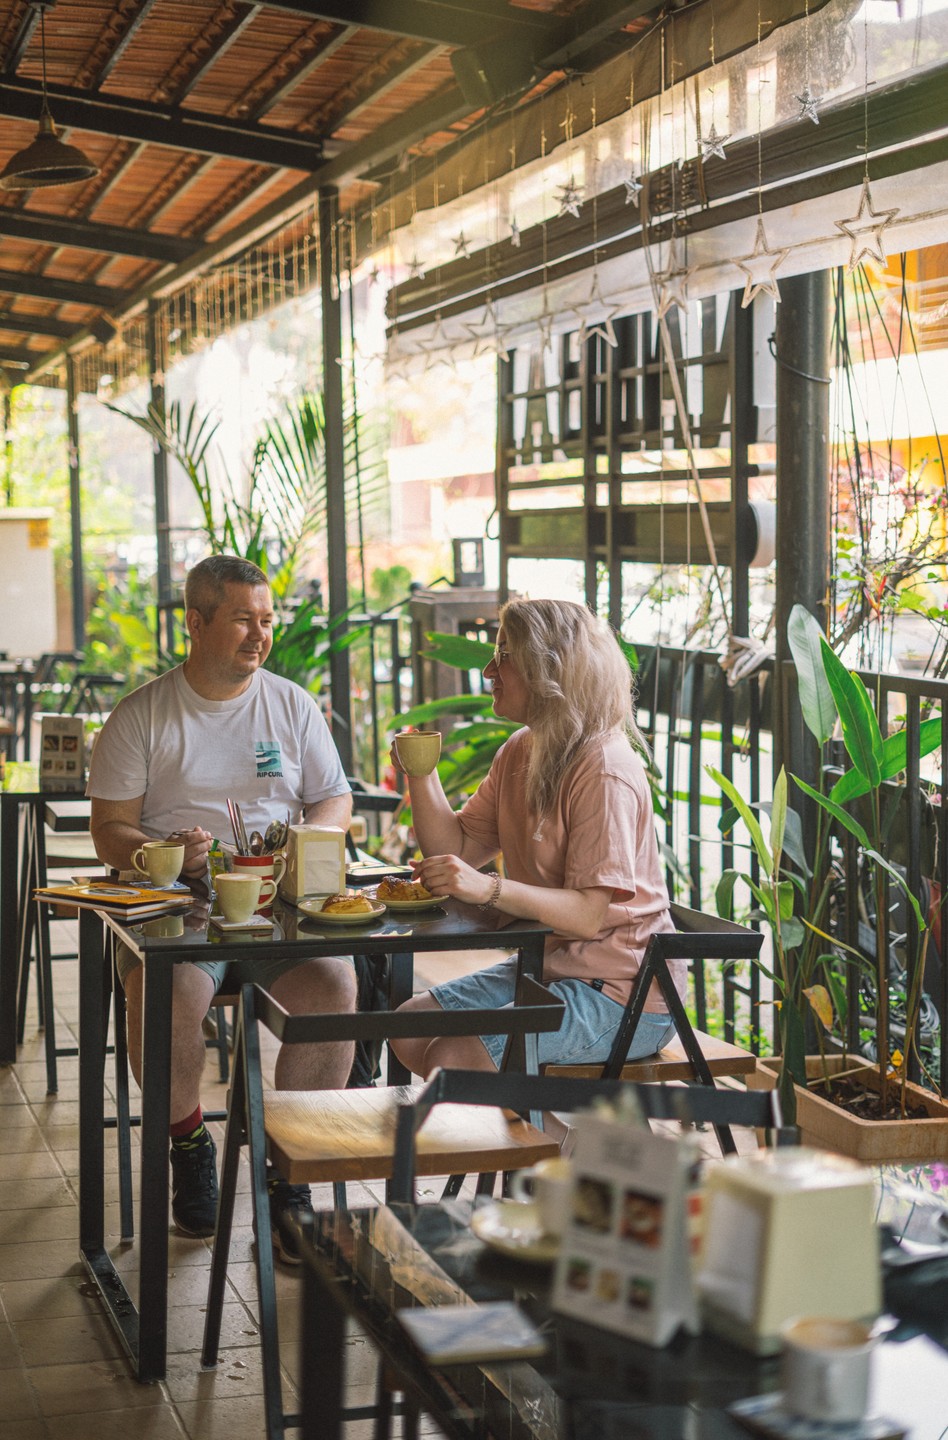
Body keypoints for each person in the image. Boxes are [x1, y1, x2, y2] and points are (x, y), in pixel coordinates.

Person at [88, 554, 355, 1261]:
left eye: (266, 620)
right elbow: (108, 828)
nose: (258, 635)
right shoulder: (143, 714)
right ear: (196, 622)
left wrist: (313, 837)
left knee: (334, 983)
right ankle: (190, 1145)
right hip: (184, 901)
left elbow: (334, 795)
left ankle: (291, 1171)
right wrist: (162, 850)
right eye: (242, 619)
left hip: (281, 904)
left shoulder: (291, 705)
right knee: (166, 990)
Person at [389, 598, 681, 1093]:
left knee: (456, 1056)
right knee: (408, 1030)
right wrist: (421, 770)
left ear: (549, 668)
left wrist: (490, 889)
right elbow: (458, 847)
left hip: (620, 994)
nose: (488, 670)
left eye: (504, 655)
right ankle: (545, 1140)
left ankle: (551, 1153)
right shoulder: (522, 749)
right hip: (545, 969)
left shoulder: (604, 768)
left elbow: (589, 915)